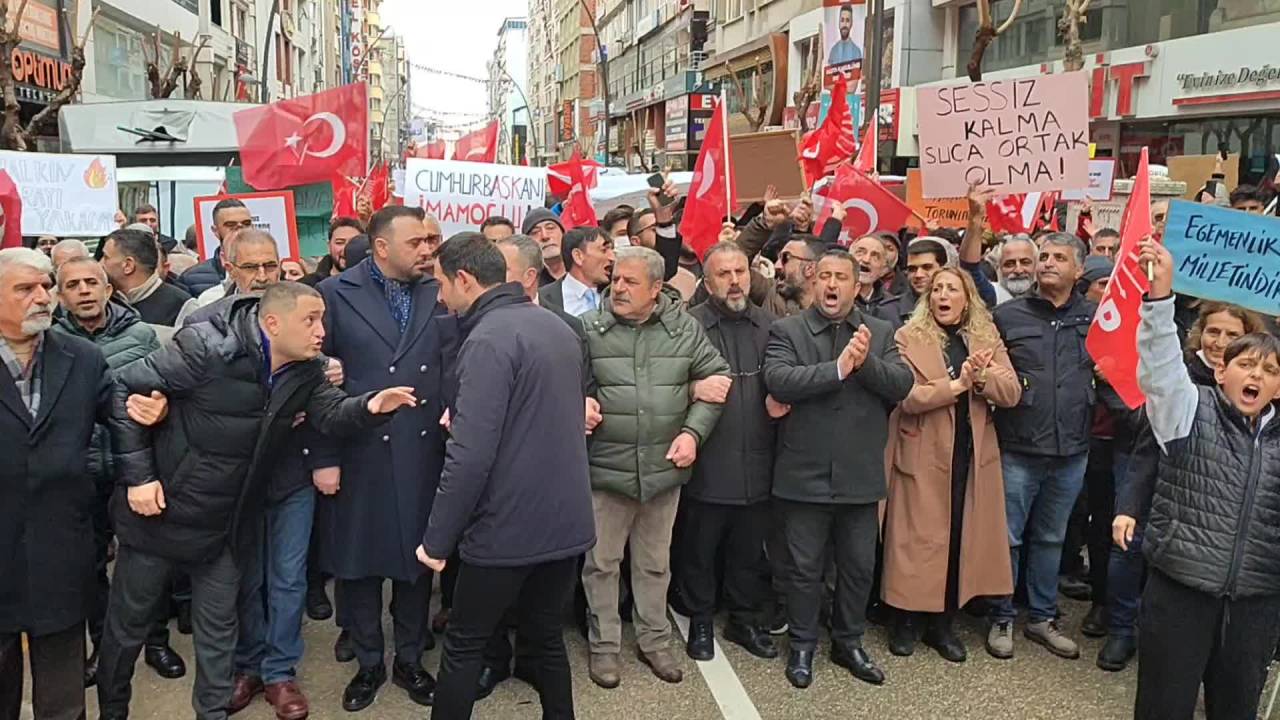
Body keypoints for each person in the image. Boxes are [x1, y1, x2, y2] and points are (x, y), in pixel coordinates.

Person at [95, 282, 418, 720]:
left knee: (218, 633)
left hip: (226, 523)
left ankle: (211, 714)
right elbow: (122, 389)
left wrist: (372, 405)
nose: (321, 331)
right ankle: (113, 710)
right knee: (126, 629)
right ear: (272, 323)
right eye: (310, 320)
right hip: (159, 516)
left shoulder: (305, 370)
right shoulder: (205, 347)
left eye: (321, 319)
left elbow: (331, 413)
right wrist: (139, 478)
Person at [416, 232, 596, 720]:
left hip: (505, 530)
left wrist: (436, 541)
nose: (438, 296)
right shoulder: (555, 327)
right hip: (566, 524)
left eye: (441, 284)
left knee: (463, 645)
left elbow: (469, 454)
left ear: (466, 279)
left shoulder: (489, 339)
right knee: (546, 642)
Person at [1114, 238, 1280, 720]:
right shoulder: (1187, 410)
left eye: (1270, 370)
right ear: (1222, 371)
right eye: (1246, 364)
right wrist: (1160, 296)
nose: (1257, 376)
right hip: (1182, 592)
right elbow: (1161, 367)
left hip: (1255, 602)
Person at [307, 205, 457, 712]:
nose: (427, 249)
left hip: (422, 452)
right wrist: (323, 458)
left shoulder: (439, 291)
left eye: (429, 241)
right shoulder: (332, 295)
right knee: (358, 566)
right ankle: (369, 661)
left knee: (418, 564)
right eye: (415, 242)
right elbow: (319, 388)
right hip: (360, 449)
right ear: (381, 247)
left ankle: (410, 659)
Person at [580, 245, 730, 689]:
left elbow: (716, 381)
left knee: (653, 564)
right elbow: (567, 382)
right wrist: (578, 403)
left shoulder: (684, 329)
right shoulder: (589, 328)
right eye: (615, 280)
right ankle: (604, 648)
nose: (617, 289)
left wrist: (693, 433)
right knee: (601, 564)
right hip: (606, 471)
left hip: (664, 471)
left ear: (657, 288)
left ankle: (654, 641)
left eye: (629, 282)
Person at [763, 249, 913, 689]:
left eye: (841, 278)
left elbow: (902, 384)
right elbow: (779, 379)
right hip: (802, 475)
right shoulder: (787, 330)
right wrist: (837, 368)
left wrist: (863, 364)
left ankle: (849, 642)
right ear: (813, 282)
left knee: (857, 567)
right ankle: (804, 644)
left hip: (859, 476)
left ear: (855, 284)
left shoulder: (880, 331)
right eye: (824, 276)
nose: (832, 285)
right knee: (803, 569)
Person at [1098, 301, 1264, 672]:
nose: (1219, 341)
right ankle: (1122, 629)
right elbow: (1147, 449)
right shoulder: (1176, 374)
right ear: (1199, 333)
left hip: (1215, 513)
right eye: (1213, 331)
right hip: (1161, 487)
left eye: (1232, 335)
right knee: (1129, 555)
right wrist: (1129, 506)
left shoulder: (1258, 387)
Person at [0, 248, 126, 720]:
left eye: (45, 286)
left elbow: (121, 422)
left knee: (63, 694)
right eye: (25, 288)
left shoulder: (82, 358)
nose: (43, 297)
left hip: (61, 542)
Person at [881, 267, 1021, 663]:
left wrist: (982, 378)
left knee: (959, 537)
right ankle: (905, 621)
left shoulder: (985, 336)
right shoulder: (907, 336)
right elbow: (905, 396)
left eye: (952, 289)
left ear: (967, 298)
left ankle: (942, 625)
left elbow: (1011, 392)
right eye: (937, 289)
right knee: (915, 542)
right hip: (922, 450)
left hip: (970, 454)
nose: (943, 294)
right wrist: (955, 386)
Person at [49, 258, 169, 688]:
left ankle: (155, 641)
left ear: (108, 288)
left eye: (91, 283)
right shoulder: (49, 340)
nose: (83, 291)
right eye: (72, 285)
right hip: (79, 472)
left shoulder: (143, 336)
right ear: (60, 296)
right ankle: (103, 646)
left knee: (148, 562)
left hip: (133, 467)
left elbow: (166, 392)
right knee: (92, 565)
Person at [986, 232, 1097, 661]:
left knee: (1052, 537)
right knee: (1009, 537)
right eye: (1044, 256)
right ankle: (1001, 616)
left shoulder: (1095, 318)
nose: (1047, 263)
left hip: (1072, 450)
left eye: (1058, 258)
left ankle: (1041, 618)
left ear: (1079, 270)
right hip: (1018, 447)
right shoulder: (1008, 316)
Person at [676, 243, 781, 663]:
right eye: (724, 273)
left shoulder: (773, 326)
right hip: (708, 459)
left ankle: (744, 619)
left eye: (741, 271)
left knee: (748, 550)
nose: (735, 280)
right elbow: (665, 384)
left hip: (759, 457)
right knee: (699, 548)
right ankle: (700, 619)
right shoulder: (688, 327)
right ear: (707, 281)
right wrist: (690, 390)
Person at [176, 229, 281, 324]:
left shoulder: (296, 311)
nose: (262, 277)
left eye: (270, 266)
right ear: (231, 270)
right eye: (250, 267)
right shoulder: (204, 320)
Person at [99, 228, 192, 326]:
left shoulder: (182, 306)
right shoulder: (102, 301)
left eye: (105, 257)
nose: (99, 264)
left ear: (128, 265)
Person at [181, 199, 254, 295]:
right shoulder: (191, 279)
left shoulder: (269, 271)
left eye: (246, 224)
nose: (240, 230)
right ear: (215, 231)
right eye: (231, 225)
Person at [539, 226, 615, 316]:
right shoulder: (542, 300)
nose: (612, 258)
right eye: (604, 250)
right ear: (578, 256)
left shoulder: (615, 292)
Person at [303, 217, 364, 286]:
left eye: (353, 242)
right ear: (329, 246)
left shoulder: (375, 282)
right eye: (340, 243)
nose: (346, 249)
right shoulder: (308, 285)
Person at [521, 208, 566, 285]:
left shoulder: (585, 271)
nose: (544, 236)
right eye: (535, 232)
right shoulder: (527, 284)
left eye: (550, 228)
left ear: (563, 233)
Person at [993, 234, 1037, 305]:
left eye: (1025, 262)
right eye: (1010, 264)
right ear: (999, 268)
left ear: (1036, 264)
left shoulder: (1051, 298)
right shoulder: (991, 295)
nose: (1018, 270)